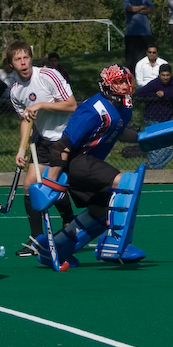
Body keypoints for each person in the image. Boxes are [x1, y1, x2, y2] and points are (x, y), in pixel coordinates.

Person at [31, 64, 149, 267]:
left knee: (100, 211)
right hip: (76, 162)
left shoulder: (125, 107)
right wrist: (49, 182)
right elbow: (62, 146)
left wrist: (143, 138)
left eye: (126, 80)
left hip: (89, 164)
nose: (125, 86)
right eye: (119, 82)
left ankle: (53, 249)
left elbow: (118, 130)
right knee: (127, 182)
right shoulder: (94, 110)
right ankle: (116, 244)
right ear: (106, 86)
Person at [7, 40, 78, 257]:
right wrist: (21, 150)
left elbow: (71, 105)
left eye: (26, 57)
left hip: (69, 135)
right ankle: (37, 239)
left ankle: (69, 220)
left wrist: (41, 105)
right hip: (46, 140)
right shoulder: (16, 91)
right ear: (12, 64)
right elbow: (26, 120)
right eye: (18, 59)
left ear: (31, 57)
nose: (23, 62)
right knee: (29, 185)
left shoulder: (48, 75)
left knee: (53, 184)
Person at [135, 64, 173, 168]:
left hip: (167, 120)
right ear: (159, 75)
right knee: (155, 147)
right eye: (163, 75)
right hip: (152, 119)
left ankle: (153, 167)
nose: (165, 78)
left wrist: (165, 93)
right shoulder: (154, 83)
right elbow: (139, 93)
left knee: (170, 145)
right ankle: (153, 169)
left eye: (167, 75)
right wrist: (155, 95)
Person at [123, 0, 154, 68]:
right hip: (131, 32)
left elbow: (150, 9)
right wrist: (142, 6)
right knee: (130, 57)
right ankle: (130, 75)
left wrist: (135, 9)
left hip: (144, 31)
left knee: (144, 55)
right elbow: (129, 8)